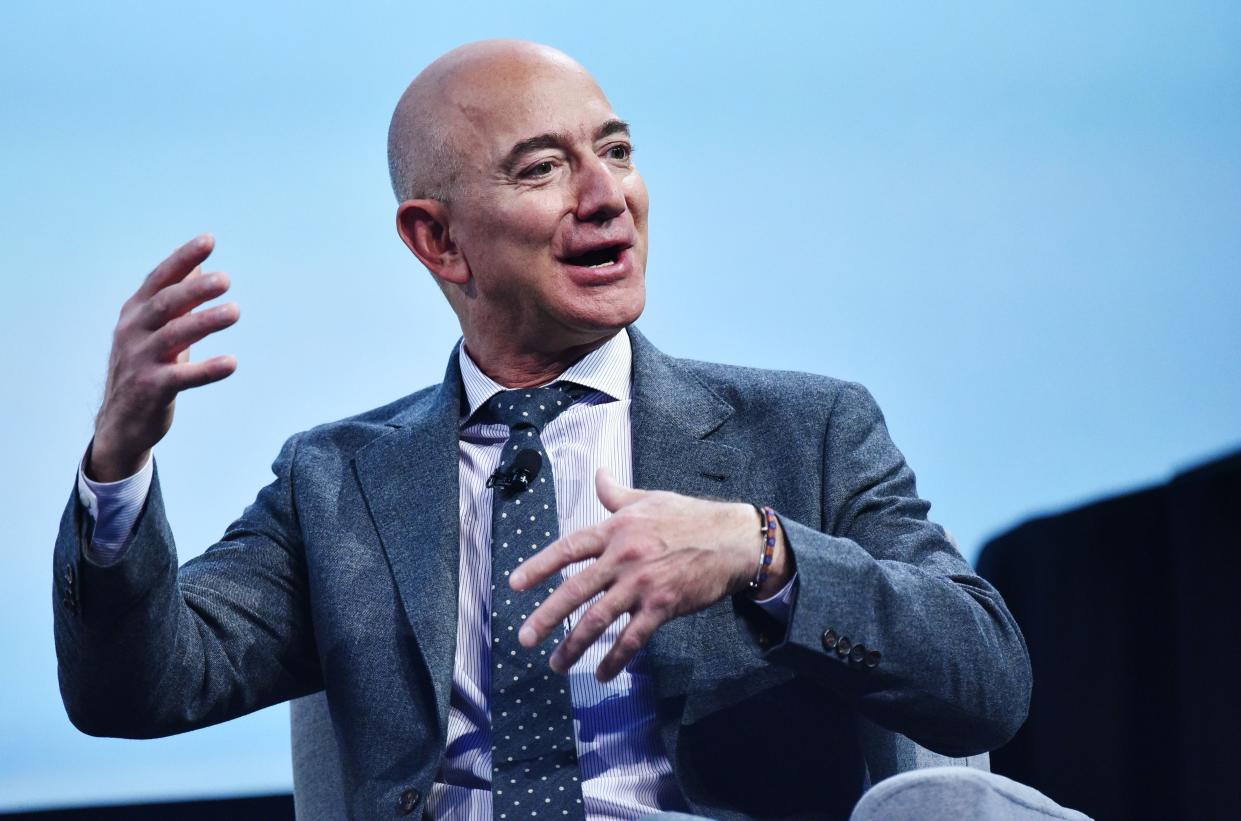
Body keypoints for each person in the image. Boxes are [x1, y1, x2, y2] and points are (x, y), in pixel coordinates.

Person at [54, 40, 1033, 819]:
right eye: (543, 168)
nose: (606, 194)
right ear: (437, 240)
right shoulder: (338, 480)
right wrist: (118, 464)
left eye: (615, 150)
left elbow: (985, 677)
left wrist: (760, 548)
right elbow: (136, 691)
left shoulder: (804, 429)